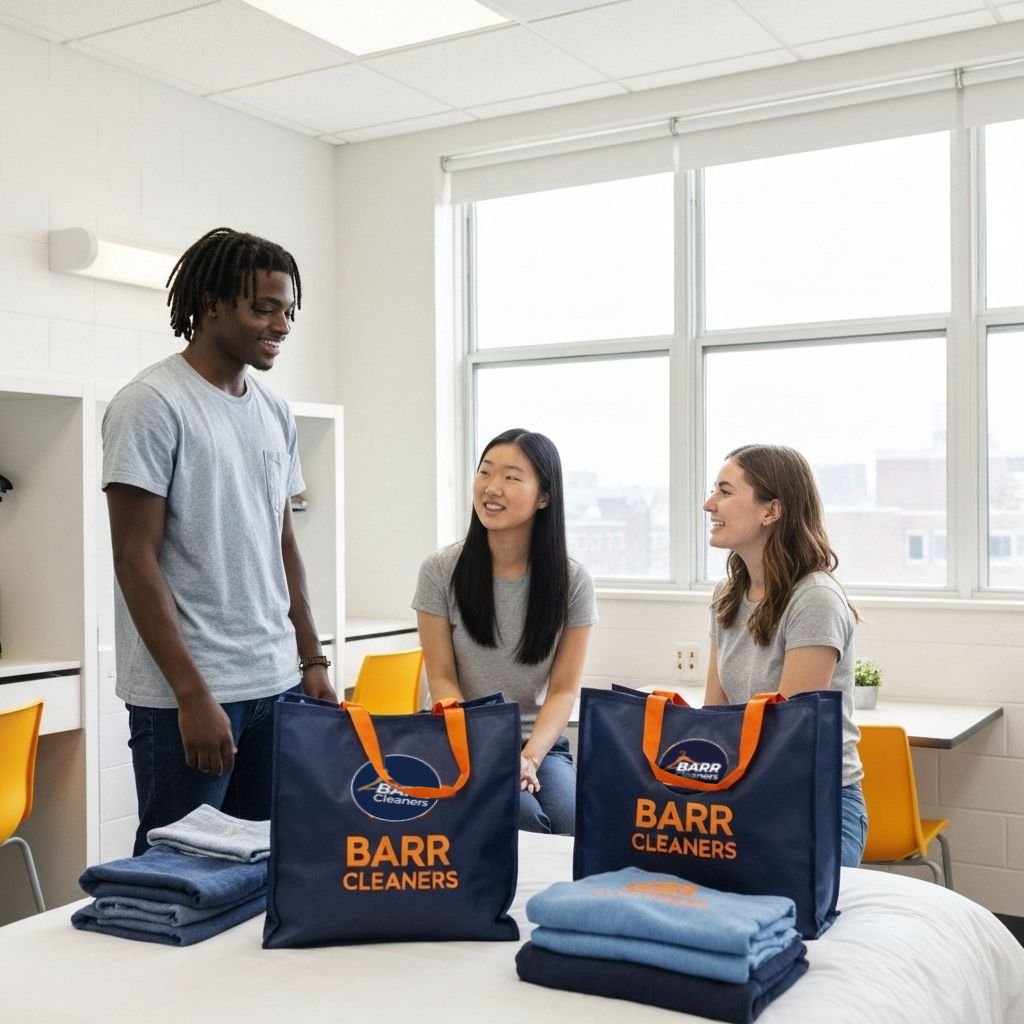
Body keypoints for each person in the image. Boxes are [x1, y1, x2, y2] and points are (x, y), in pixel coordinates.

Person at [102, 227, 336, 856]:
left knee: (263, 870)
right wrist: (191, 695)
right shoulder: (150, 404)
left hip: (276, 681)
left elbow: (282, 542)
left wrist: (310, 660)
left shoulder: (274, 411)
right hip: (191, 694)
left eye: (288, 311)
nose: (281, 325)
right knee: (175, 877)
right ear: (210, 304)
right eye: (263, 308)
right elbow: (133, 558)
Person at [413, 428, 597, 835]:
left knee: (572, 823)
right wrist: (491, 748)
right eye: (485, 472)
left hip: (538, 745)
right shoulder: (441, 571)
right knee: (523, 819)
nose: (492, 488)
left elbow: (564, 690)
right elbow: (442, 678)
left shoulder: (572, 581)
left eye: (512, 477)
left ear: (544, 497)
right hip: (459, 738)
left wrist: (529, 759)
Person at [702, 443, 867, 867]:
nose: (709, 504)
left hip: (816, 800)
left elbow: (787, 737)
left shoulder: (814, 599)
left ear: (770, 511)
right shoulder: (727, 597)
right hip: (745, 791)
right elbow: (714, 720)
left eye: (724, 491)